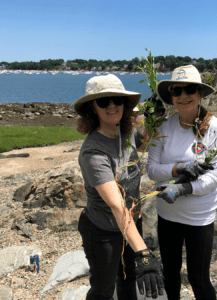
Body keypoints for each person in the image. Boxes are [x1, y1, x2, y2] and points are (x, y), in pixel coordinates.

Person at [74, 74, 164, 300]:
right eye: (104, 101)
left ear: (125, 104)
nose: (112, 105)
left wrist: (153, 119)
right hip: (103, 230)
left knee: (129, 280)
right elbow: (116, 205)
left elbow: (142, 144)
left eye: (116, 99)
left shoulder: (125, 134)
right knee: (103, 290)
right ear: (93, 108)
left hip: (131, 222)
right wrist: (143, 253)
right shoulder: (93, 151)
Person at [147, 65, 217, 300]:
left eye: (189, 89)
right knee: (170, 275)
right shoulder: (162, 127)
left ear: (200, 93)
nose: (183, 96)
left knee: (198, 278)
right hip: (168, 215)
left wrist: (183, 188)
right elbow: (152, 170)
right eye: (176, 90)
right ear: (170, 96)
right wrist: (178, 168)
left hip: (199, 218)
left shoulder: (215, 128)